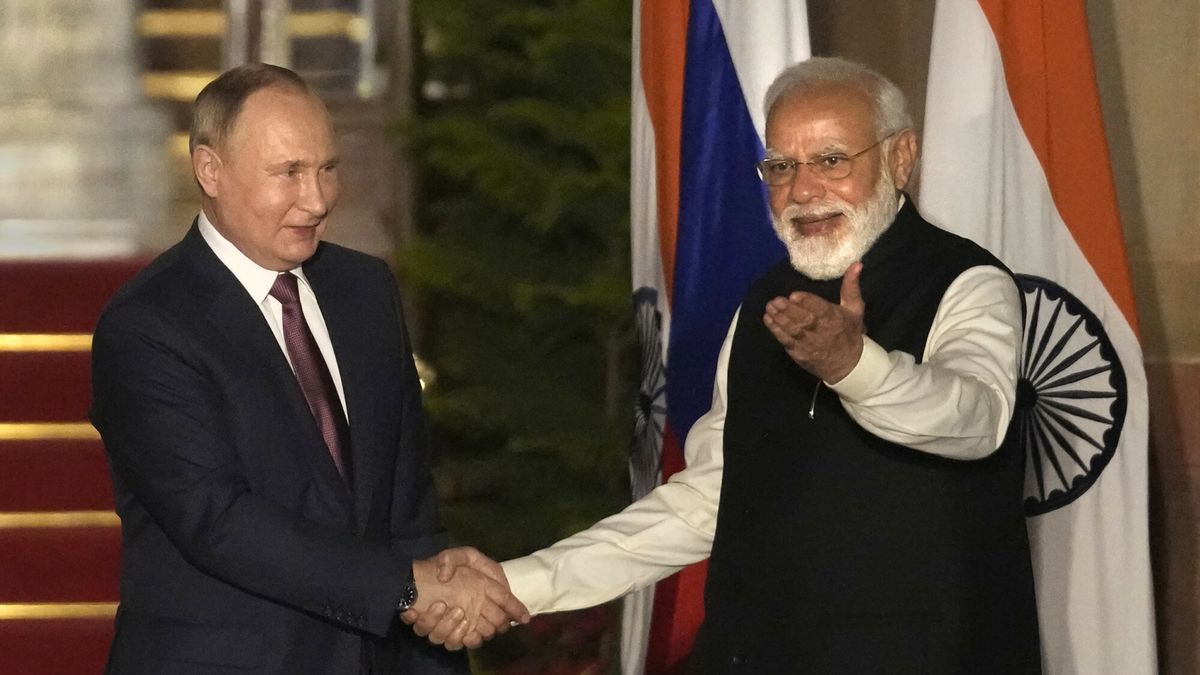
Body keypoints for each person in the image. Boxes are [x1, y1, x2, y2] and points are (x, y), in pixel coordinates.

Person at [408, 57, 1042, 673]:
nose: (803, 190)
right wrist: (520, 583)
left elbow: (976, 420)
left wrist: (855, 365)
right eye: (782, 166)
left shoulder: (970, 283)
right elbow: (710, 501)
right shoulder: (766, 301)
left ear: (901, 157)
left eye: (831, 160)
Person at [90, 63, 528, 675]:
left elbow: (405, 500)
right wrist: (405, 586)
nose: (317, 199)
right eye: (288, 173)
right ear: (210, 170)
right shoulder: (148, 326)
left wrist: (435, 600)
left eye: (327, 168)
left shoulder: (365, 290)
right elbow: (217, 520)